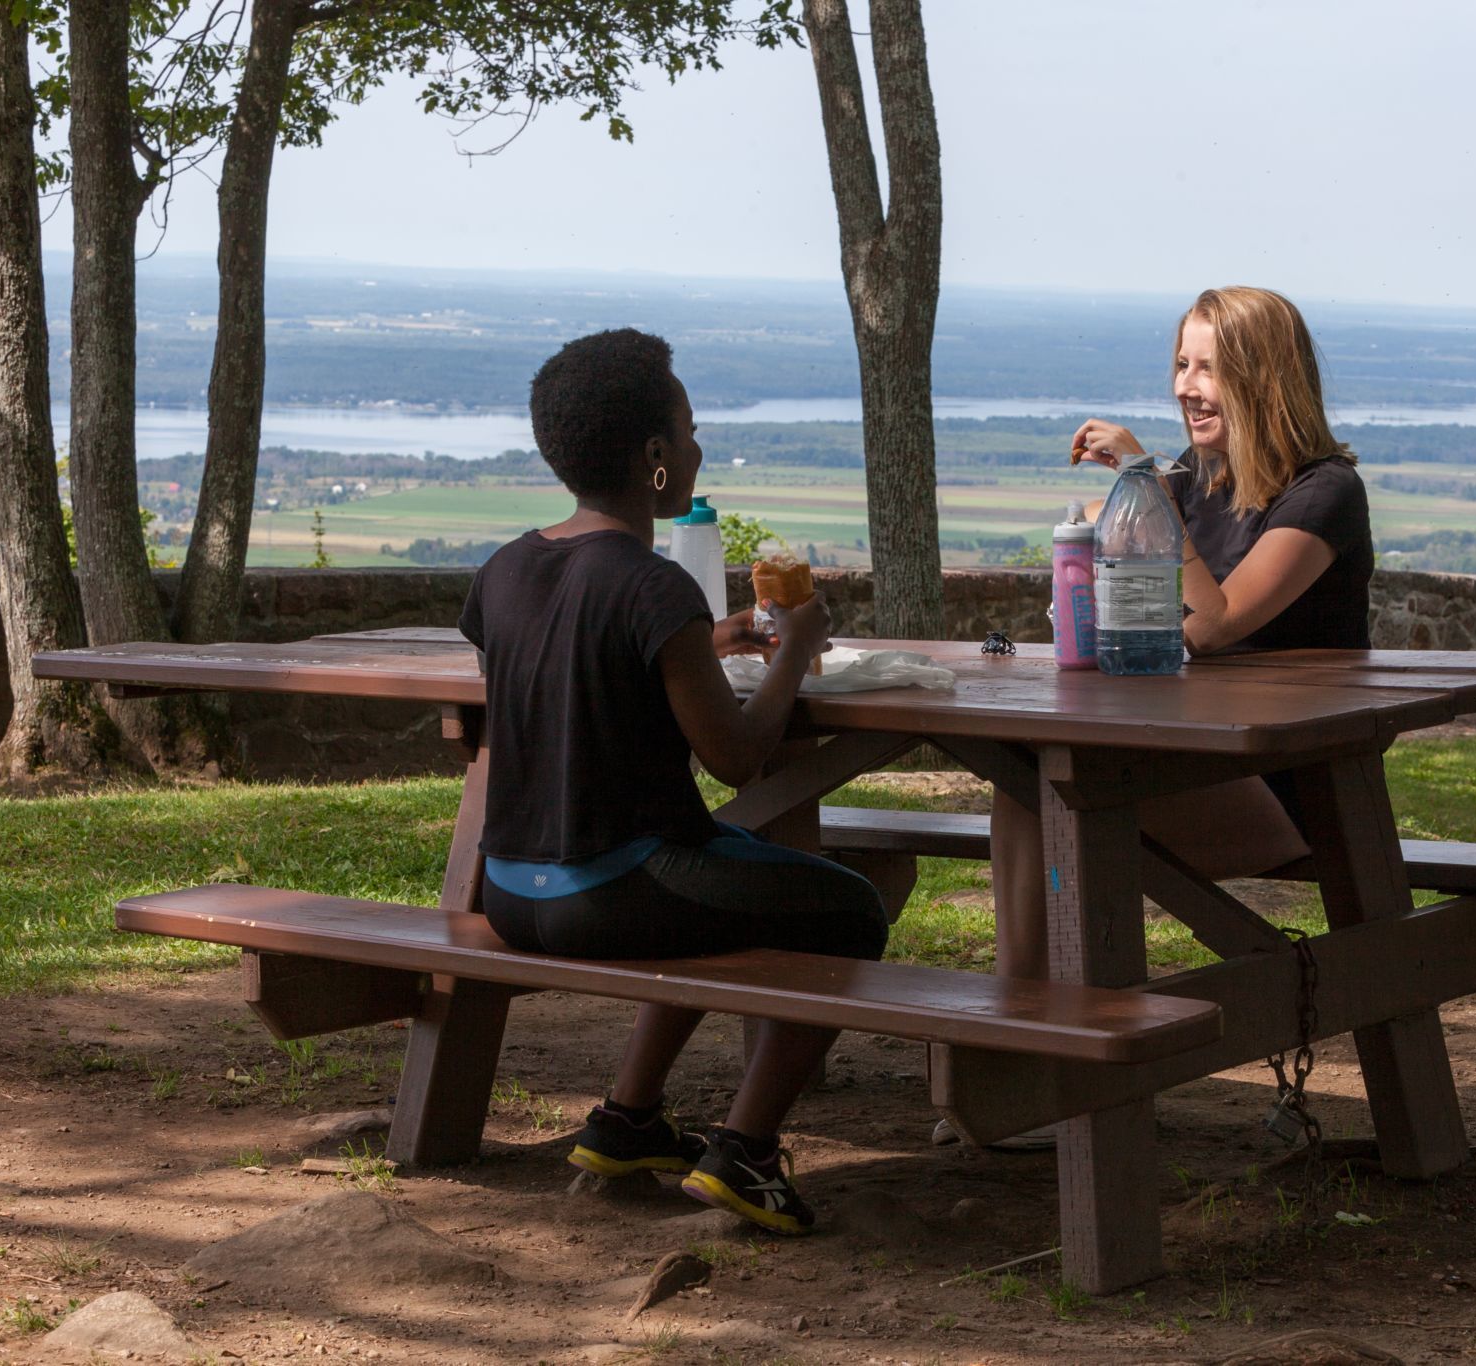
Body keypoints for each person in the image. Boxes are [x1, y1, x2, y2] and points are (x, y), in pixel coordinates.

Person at [459, 328, 888, 1234]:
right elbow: (738, 757)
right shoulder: (652, 585)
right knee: (852, 909)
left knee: (719, 876)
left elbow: (578, 661)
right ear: (655, 455)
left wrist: (708, 642)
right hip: (613, 891)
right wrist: (797, 649)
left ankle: (629, 1121)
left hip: (511, 891)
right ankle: (747, 1154)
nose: (697, 450)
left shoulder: (504, 570)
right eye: (689, 434)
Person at [962, 286, 1371, 1145]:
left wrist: (1144, 484)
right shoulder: (1196, 481)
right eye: (1182, 364)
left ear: (1264, 378)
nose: (1187, 386)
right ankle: (1023, 1041)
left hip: (1286, 783)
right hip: (1185, 757)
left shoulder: (1323, 495)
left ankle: (1048, 1060)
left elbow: (1216, 624)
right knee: (1024, 779)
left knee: (1055, 801)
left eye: (1209, 368)